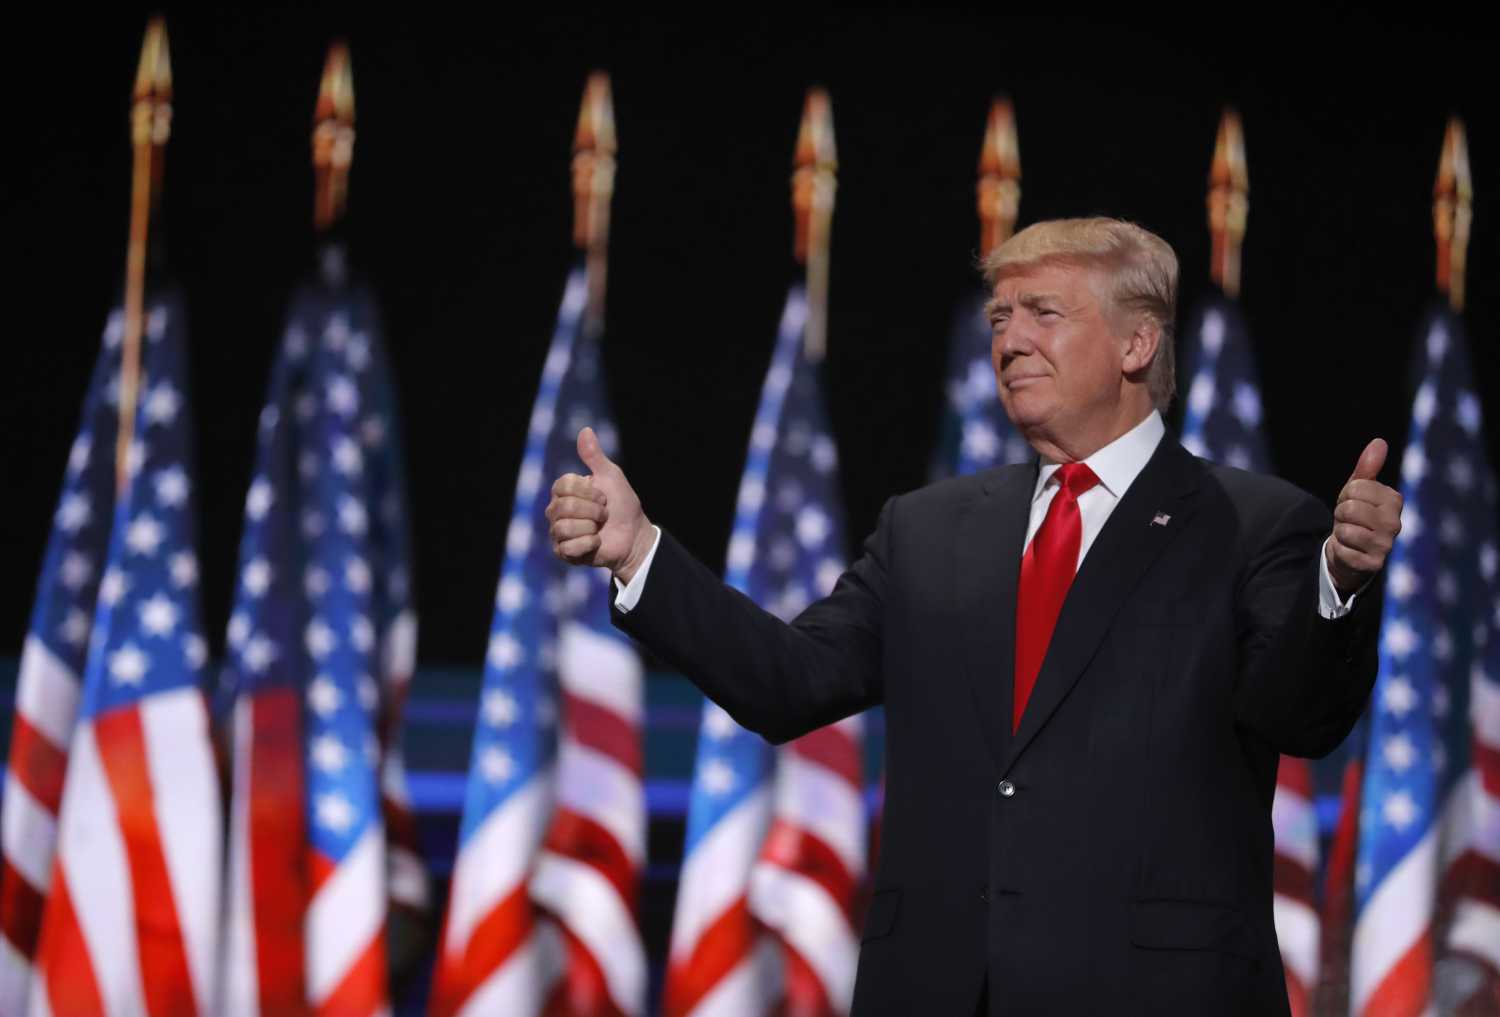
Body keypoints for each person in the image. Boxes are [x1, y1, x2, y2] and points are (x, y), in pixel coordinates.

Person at [545, 218, 1401, 1016]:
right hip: (938, 988)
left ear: (1138, 342)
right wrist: (639, 554)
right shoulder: (926, 530)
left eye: (1043, 313)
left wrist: (1341, 582)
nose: (1009, 340)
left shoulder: (1249, 522)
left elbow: (1299, 713)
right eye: (1000, 316)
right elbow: (787, 682)